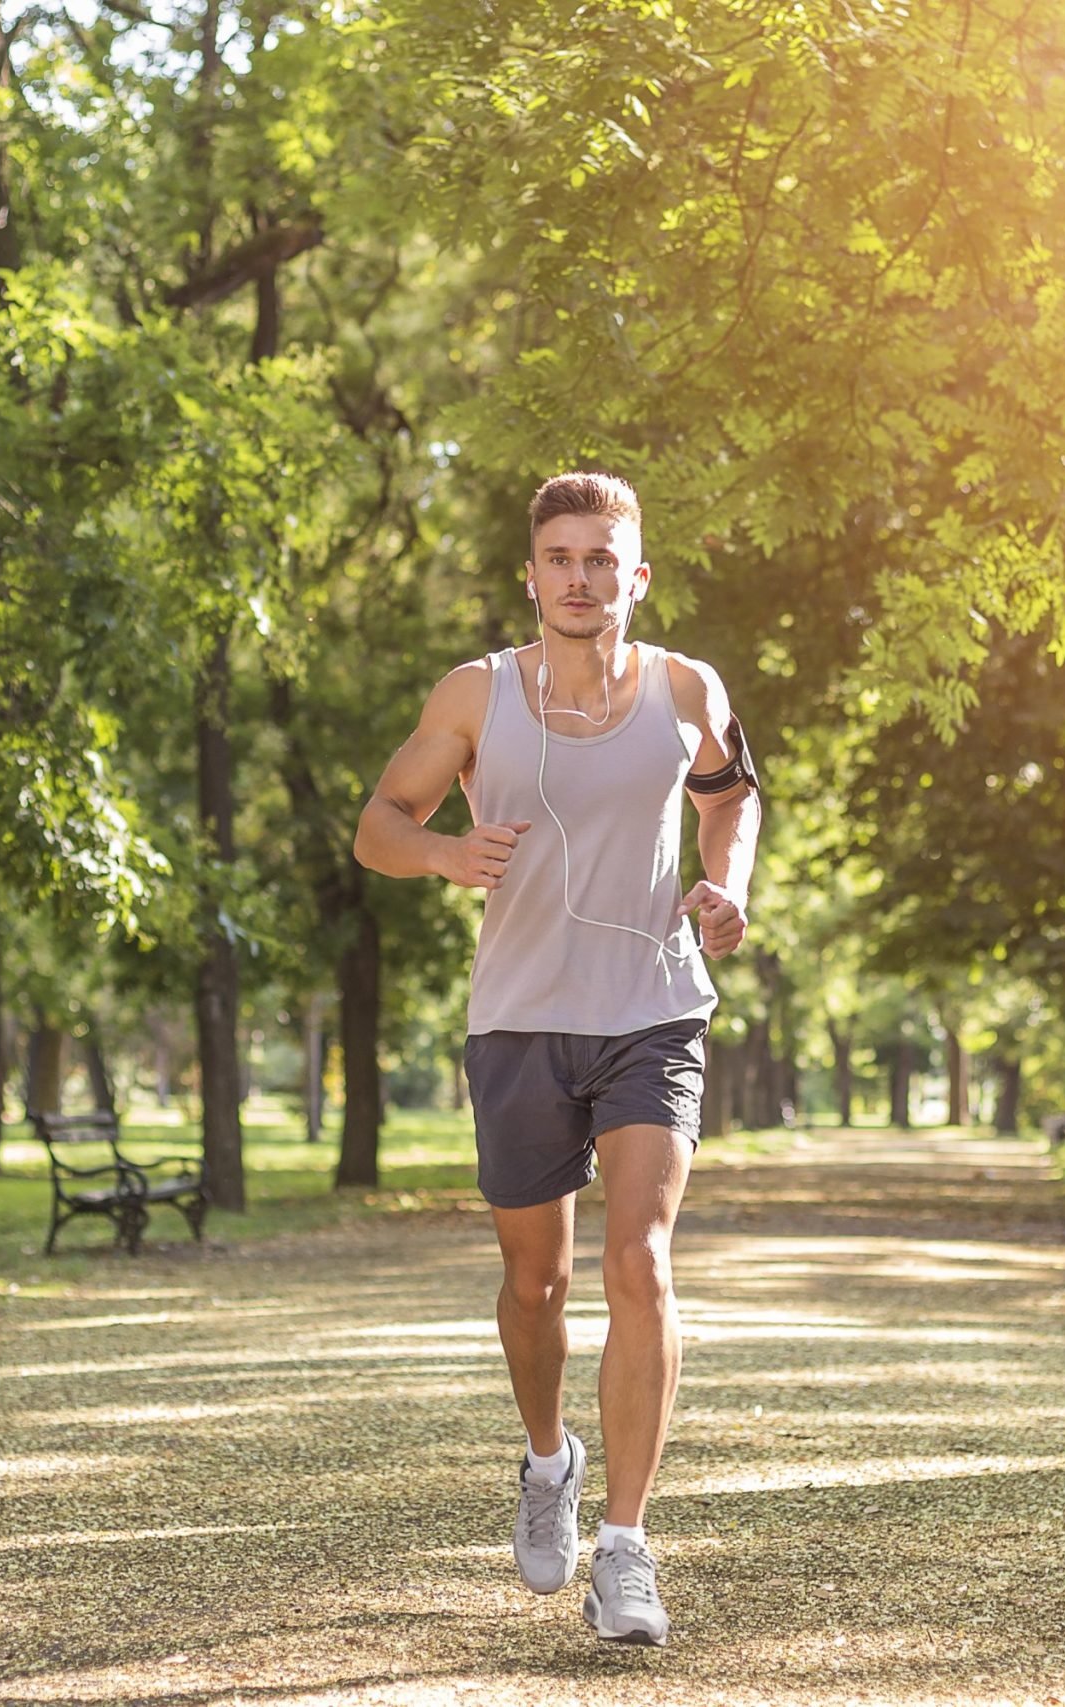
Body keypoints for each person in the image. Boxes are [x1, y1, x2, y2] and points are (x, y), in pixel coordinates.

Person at [353, 471, 762, 1646]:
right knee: (535, 1288)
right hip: (521, 1018)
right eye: (559, 559)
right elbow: (380, 823)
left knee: (639, 1264)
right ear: (530, 576)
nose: (579, 578)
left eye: (601, 559)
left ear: (635, 576)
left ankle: (626, 1550)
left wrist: (722, 888)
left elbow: (732, 798)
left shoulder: (686, 688)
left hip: (651, 1009)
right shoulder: (476, 694)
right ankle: (548, 1461)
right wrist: (443, 856)